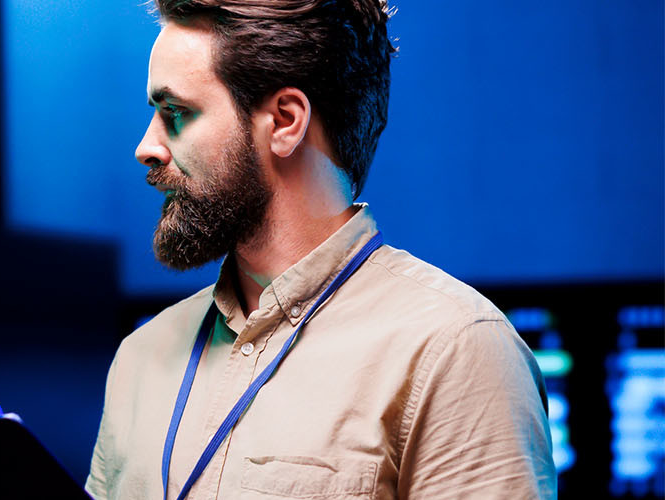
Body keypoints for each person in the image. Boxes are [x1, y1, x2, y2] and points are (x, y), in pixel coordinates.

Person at [84, 1, 557, 499]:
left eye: (175, 113)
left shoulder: (456, 350)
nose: (146, 147)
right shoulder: (141, 357)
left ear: (285, 121)